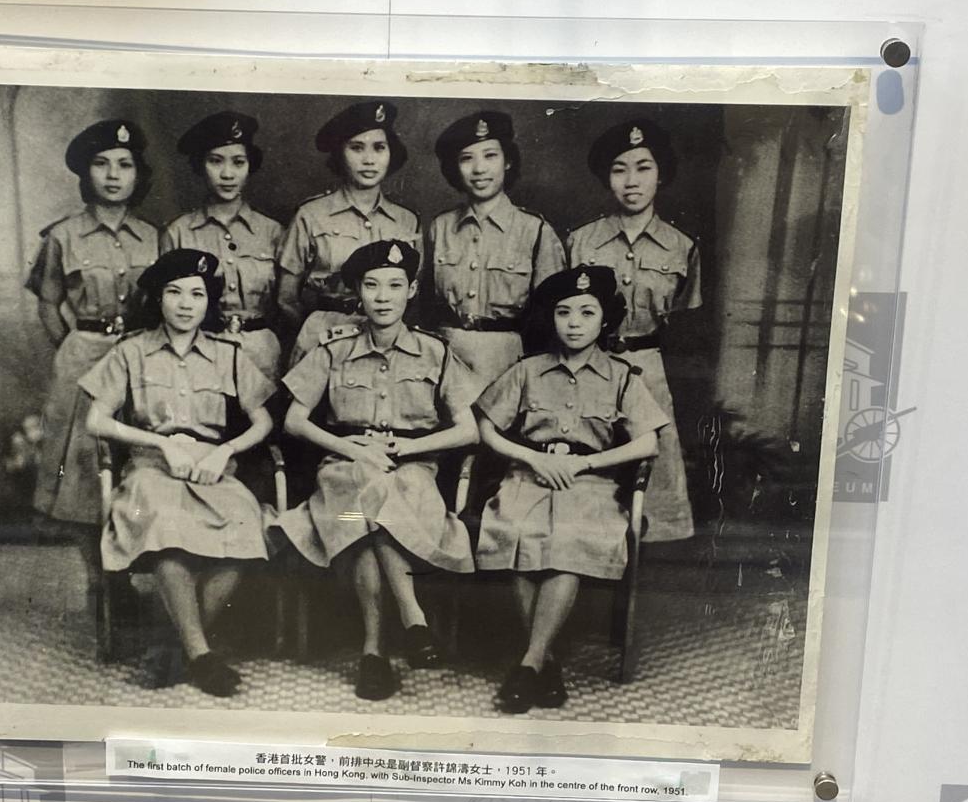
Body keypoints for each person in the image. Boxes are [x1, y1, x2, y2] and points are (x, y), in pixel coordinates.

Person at [271, 240, 478, 701]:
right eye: (371, 285)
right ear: (357, 293)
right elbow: (294, 421)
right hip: (342, 474)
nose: (383, 297)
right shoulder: (334, 348)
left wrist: (410, 447)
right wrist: (352, 449)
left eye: (394, 285)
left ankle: (373, 653)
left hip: (412, 476)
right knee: (366, 492)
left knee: (371, 513)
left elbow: (468, 431)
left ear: (412, 291)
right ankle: (413, 618)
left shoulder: (435, 352)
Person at [80, 249, 276, 697]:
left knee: (247, 527)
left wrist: (223, 450)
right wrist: (163, 444)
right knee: (166, 527)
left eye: (197, 294)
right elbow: (96, 420)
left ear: (209, 301)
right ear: (158, 298)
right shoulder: (131, 351)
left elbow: (263, 421)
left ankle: (176, 645)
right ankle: (202, 656)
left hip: (211, 467)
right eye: (174, 292)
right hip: (152, 467)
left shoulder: (229, 354)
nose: (186, 304)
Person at [475, 265, 667, 713]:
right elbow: (486, 427)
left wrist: (584, 462)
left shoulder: (622, 375)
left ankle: (528, 664)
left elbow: (648, 442)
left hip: (589, 483)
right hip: (529, 475)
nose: (574, 323)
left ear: (605, 320)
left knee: (568, 538)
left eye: (586, 312)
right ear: (552, 318)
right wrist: (532, 458)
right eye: (563, 313)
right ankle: (546, 662)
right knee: (515, 532)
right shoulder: (527, 370)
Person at [25, 119, 161, 563]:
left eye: (124, 165)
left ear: (138, 174)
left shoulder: (155, 236)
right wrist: (73, 348)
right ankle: (99, 579)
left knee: (140, 462)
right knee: (83, 473)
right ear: (86, 173)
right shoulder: (62, 236)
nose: (113, 175)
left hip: (142, 357)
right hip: (84, 360)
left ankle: (137, 563)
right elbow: (49, 304)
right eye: (101, 164)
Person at [565, 119, 700, 543]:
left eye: (644, 168)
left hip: (647, 369)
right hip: (590, 364)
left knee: (653, 482)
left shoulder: (683, 246)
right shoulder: (580, 241)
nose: (631, 181)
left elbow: (686, 320)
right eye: (619, 169)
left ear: (661, 174)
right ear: (606, 178)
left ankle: (647, 561)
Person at [426, 110, 565, 391]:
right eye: (467, 158)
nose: (479, 169)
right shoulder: (440, 227)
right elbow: (422, 308)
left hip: (509, 367)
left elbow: (553, 320)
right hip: (445, 362)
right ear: (455, 167)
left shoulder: (535, 231)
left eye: (490, 156)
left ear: (508, 161)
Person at [277, 101, 421, 363]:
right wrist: (317, 330)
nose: (369, 160)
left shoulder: (406, 221)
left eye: (379, 147)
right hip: (325, 340)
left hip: (386, 345)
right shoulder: (311, 215)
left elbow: (414, 294)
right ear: (339, 154)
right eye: (356, 148)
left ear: (391, 153)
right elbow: (287, 299)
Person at [162, 111, 285, 384]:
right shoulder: (178, 232)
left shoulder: (273, 232)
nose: (227, 174)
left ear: (250, 166)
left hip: (261, 356)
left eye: (238, 162)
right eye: (215, 161)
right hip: (199, 354)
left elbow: (287, 304)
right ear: (200, 165)